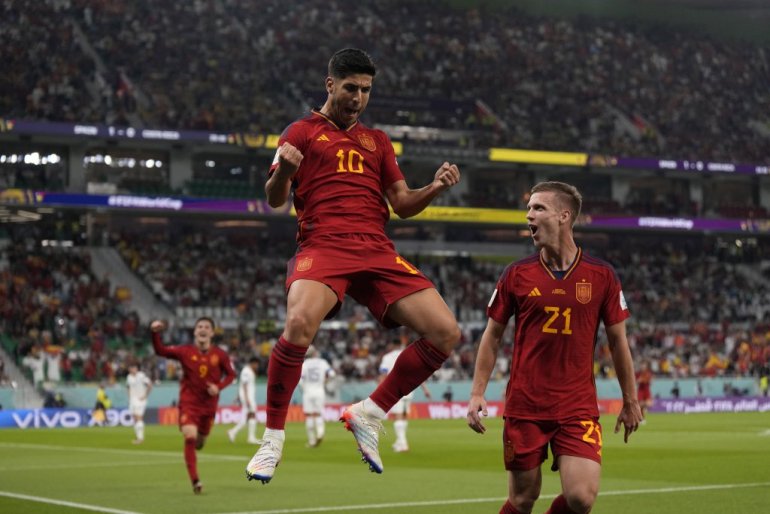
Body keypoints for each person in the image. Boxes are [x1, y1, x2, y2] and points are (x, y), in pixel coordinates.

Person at [246, 48, 461, 484]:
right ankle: (272, 439)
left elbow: (402, 204)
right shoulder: (300, 132)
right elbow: (274, 199)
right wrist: (283, 172)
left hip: (376, 247)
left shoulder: (377, 141)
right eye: (350, 88)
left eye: (365, 90)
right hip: (324, 244)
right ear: (330, 84)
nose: (358, 98)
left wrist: (435, 187)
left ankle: (370, 412)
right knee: (299, 322)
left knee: (446, 333)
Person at [466, 181, 643, 514]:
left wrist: (630, 399)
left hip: (577, 405)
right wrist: (477, 393)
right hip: (526, 405)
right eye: (528, 208)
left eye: (538, 208)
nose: (529, 215)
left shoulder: (602, 275)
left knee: (581, 497)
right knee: (523, 498)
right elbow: (492, 335)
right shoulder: (516, 274)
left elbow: (618, 341)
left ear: (564, 216)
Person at [151, 318, 235, 495]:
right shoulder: (185, 351)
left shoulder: (220, 355)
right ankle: (195, 480)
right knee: (190, 436)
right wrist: (155, 333)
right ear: (195, 332)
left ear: (212, 333)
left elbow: (231, 375)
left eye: (207, 327)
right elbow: (160, 350)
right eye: (199, 327)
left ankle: (198, 446)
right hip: (189, 403)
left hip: (209, 406)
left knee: (200, 443)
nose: (203, 329)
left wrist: (218, 387)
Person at [379, 338, 432, 452]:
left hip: (394, 389)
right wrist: (425, 390)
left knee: (397, 416)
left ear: (392, 345)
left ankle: (403, 444)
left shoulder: (387, 357)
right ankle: (399, 442)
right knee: (403, 416)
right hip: (409, 390)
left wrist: (380, 390)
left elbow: (383, 374)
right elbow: (418, 374)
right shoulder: (410, 355)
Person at [298, 346, 336, 448]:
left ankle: (311, 441)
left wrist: (304, 388)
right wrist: (325, 382)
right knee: (318, 414)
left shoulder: (305, 364)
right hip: (319, 391)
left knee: (309, 415)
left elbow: (300, 380)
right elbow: (332, 374)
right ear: (315, 353)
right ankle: (320, 433)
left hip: (308, 392)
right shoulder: (322, 362)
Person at [228, 356, 261, 444]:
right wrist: (247, 399)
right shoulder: (246, 371)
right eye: (257, 364)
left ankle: (234, 432)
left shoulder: (249, 371)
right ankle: (250, 437)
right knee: (251, 415)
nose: (257, 366)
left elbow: (241, 385)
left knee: (248, 417)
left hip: (248, 397)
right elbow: (245, 385)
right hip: (248, 398)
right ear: (253, 363)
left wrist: (238, 397)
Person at [126, 361, 153, 444]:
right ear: (129, 369)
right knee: (135, 418)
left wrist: (145, 395)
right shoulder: (129, 377)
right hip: (132, 400)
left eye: (134, 368)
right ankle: (138, 436)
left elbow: (150, 385)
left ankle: (141, 439)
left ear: (137, 368)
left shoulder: (141, 375)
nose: (133, 369)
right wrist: (129, 398)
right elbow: (128, 387)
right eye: (131, 368)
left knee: (139, 417)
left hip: (140, 400)